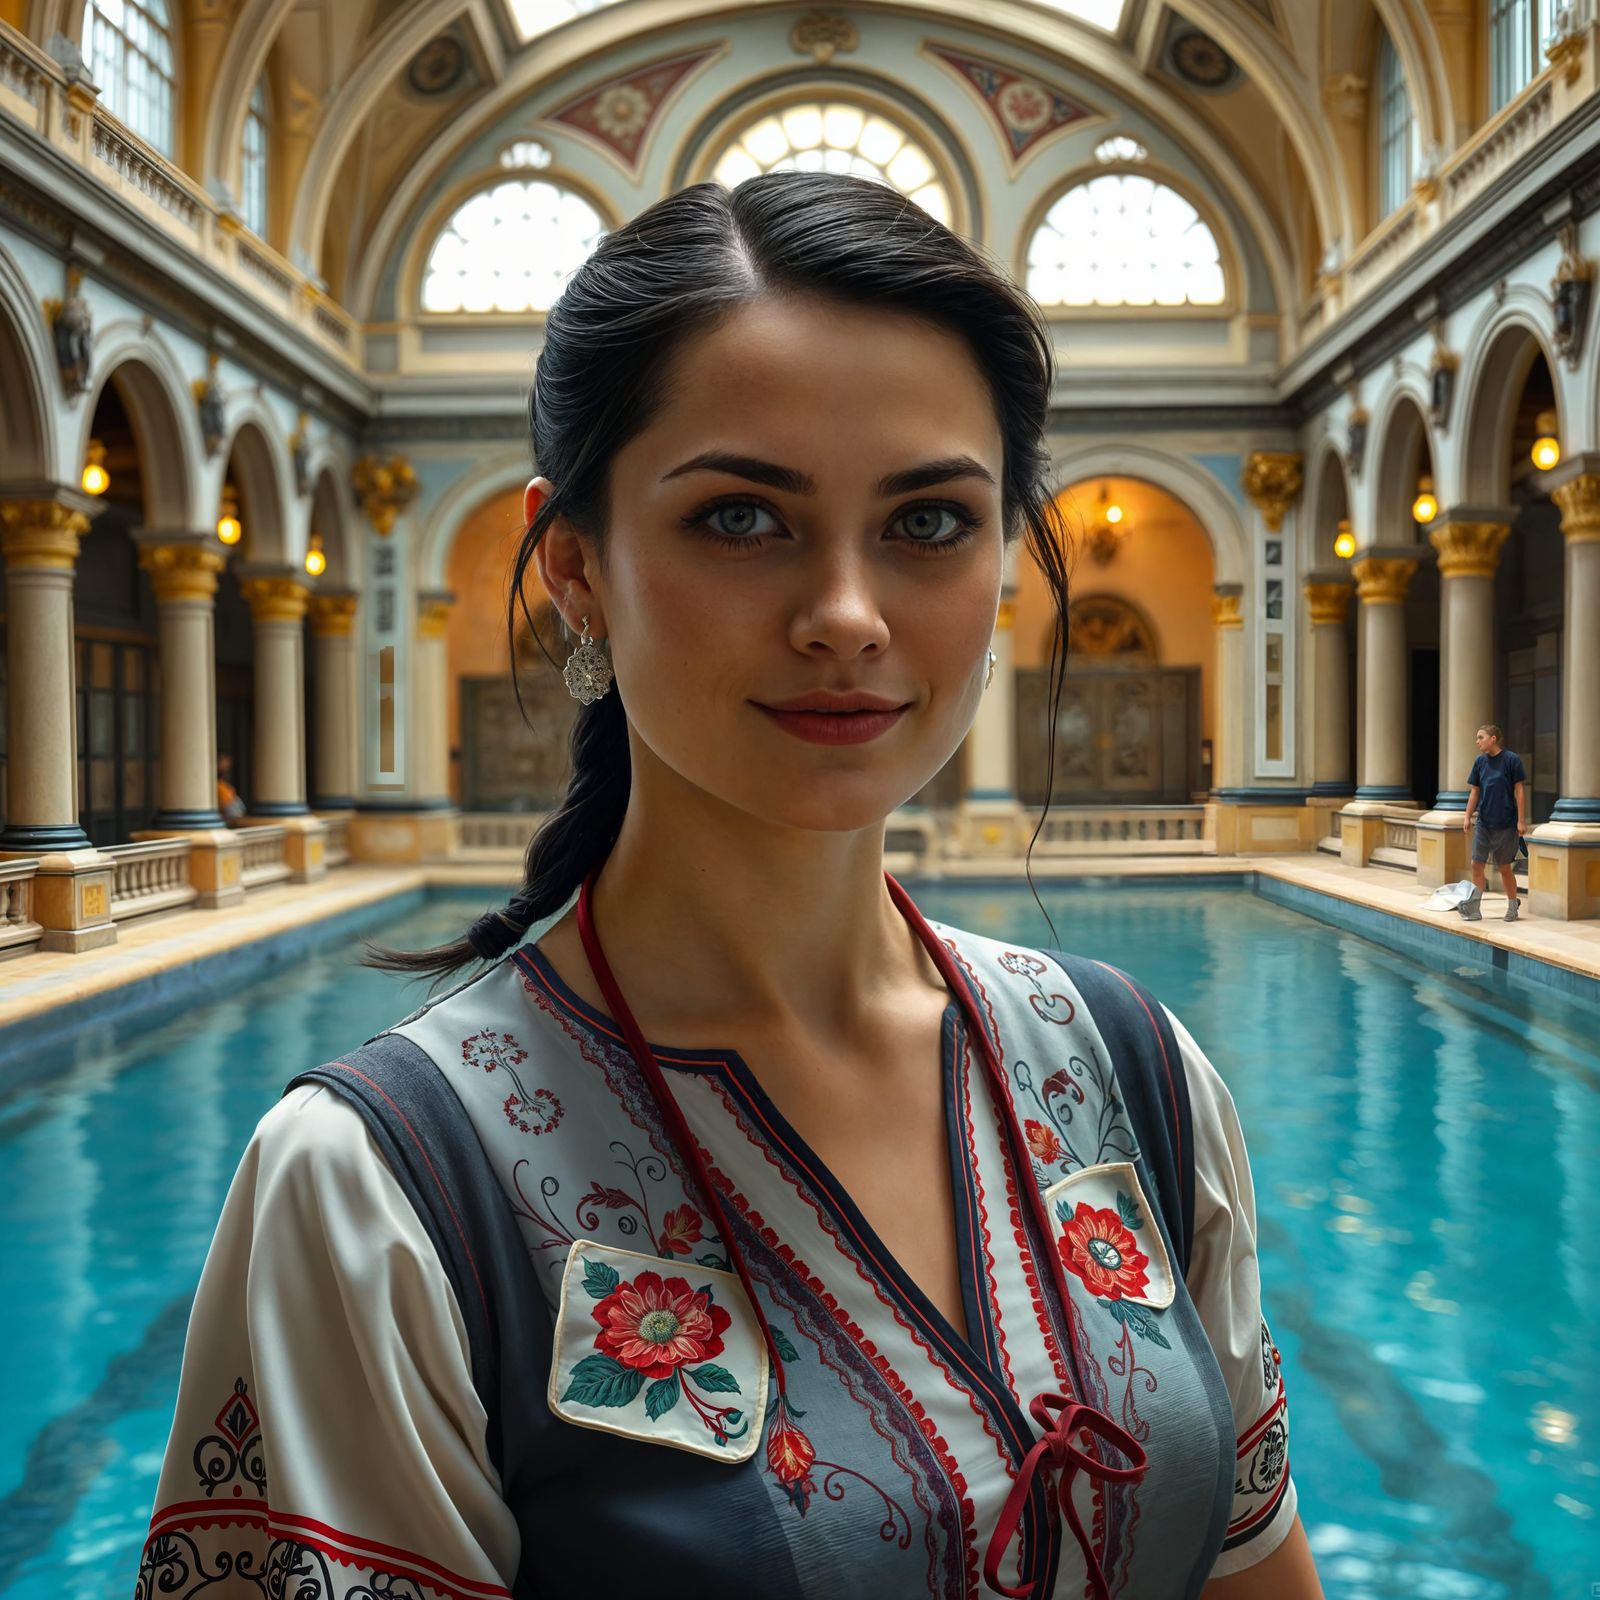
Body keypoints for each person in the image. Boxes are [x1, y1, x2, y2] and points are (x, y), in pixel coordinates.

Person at [137, 174, 1321, 1600]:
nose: (847, 616)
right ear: (575, 566)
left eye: (930, 521)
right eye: (742, 519)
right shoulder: (381, 1188)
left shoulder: (1129, 1071)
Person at [1460, 723, 1528, 922]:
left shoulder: (1511, 760)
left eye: (1481, 737)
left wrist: (1521, 820)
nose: (1477, 742)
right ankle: (1474, 908)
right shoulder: (1479, 762)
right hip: (1484, 822)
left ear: (1493, 739)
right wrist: (1467, 816)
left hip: (1506, 823)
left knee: (1504, 867)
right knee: (1476, 864)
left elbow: (1520, 790)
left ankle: (1512, 906)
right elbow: (1475, 791)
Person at [216, 753, 246, 824]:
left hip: (234, 816)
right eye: (223, 761)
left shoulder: (225, 784)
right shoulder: (217, 785)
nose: (227, 766)